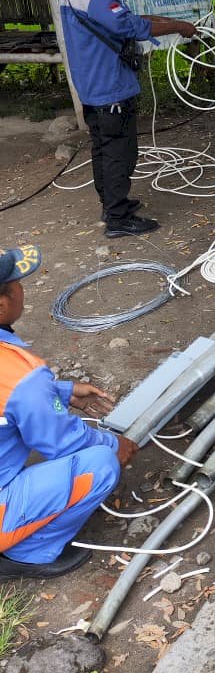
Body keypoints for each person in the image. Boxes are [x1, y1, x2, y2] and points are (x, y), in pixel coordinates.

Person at [0, 244, 137, 580]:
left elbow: (13, 397)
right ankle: (26, 554)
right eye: (17, 282)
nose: (22, 289)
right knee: (100, 465)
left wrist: (61, 391)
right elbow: (63, 442)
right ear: (2, 303)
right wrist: (114, 445)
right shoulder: (18, 374)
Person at [59, 0, 198, 237]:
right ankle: (118, 219)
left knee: (102, 148)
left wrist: (162, 19)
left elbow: (122, 19)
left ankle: (112, 204)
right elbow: (130, 28)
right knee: (120, 151)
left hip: (91, 85)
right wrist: (178, 25)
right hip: (109, 86)